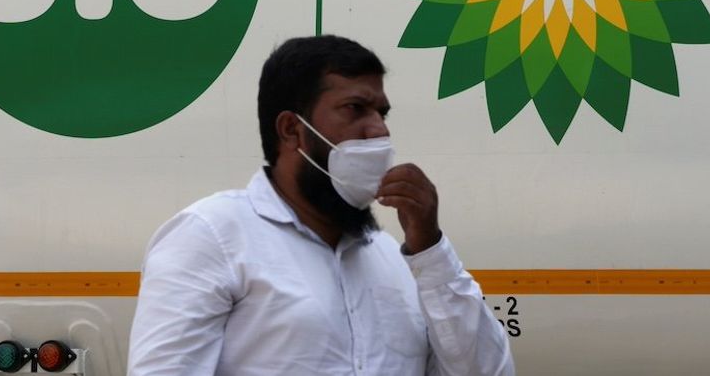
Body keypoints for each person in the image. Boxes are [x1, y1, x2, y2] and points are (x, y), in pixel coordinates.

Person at [127, 35, 515, 375]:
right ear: (292, 130)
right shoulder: (212, 237)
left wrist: (430, 250)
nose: (379, 129)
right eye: (355, 109)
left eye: (382, 113)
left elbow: (486, 371)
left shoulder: (394, 259)